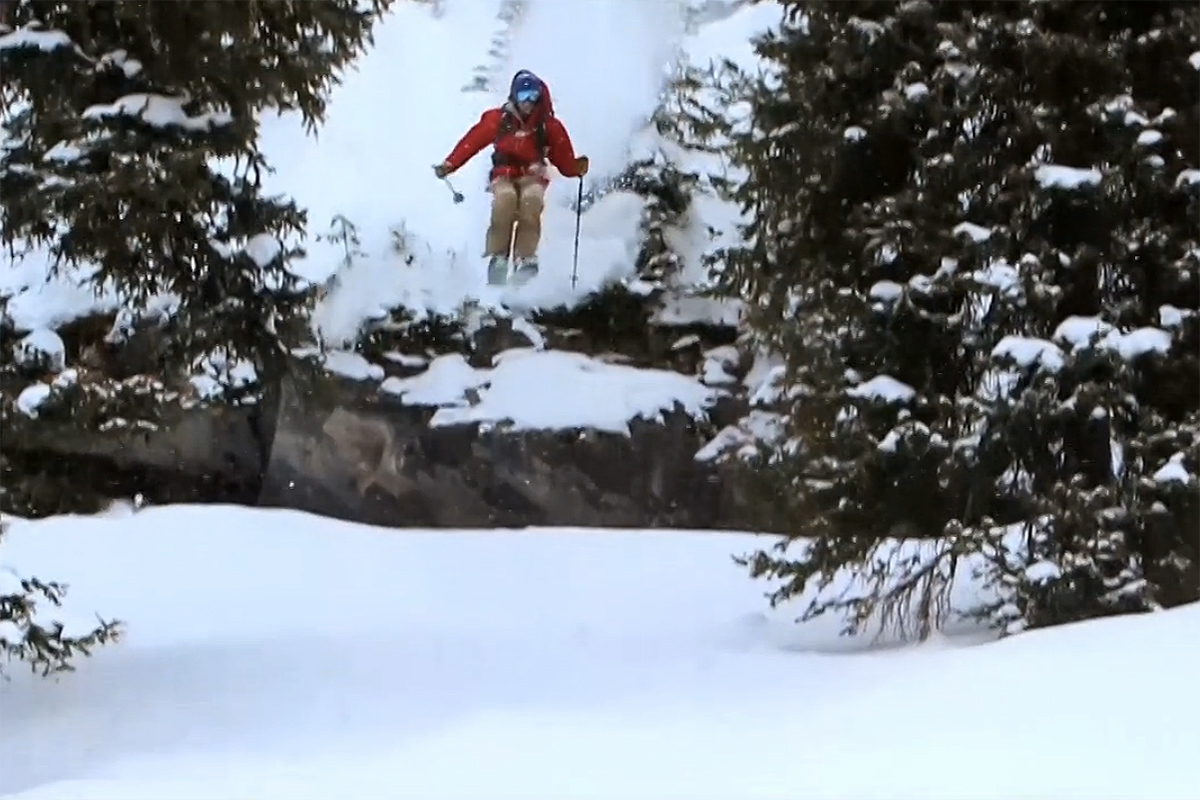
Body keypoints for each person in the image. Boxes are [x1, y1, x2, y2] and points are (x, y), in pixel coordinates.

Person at [434, 70, 589, 285]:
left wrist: (575, 168)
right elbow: (472, 141)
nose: (528, 102)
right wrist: (450, 164)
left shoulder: (547, 125)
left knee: (531, 201)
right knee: (505, 200)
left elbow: (562, 158)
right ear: (514, 96)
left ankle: (525, 258)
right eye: (524, 96)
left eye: (533, 96)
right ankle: (498, 256)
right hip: (503, 175)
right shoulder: (498, 120)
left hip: (532, 176)